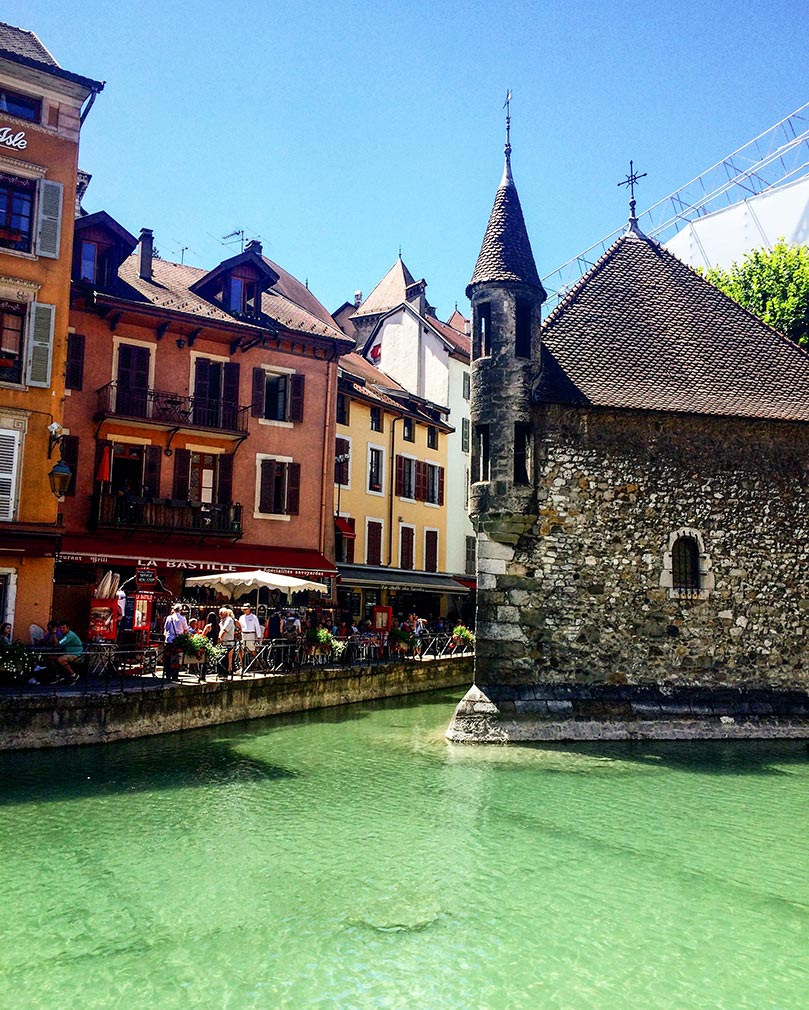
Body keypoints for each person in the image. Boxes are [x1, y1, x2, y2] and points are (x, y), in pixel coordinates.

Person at [163, 603, 189, 681]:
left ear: (174, 610)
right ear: (180, 610)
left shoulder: (169, 618)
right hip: (178, 640)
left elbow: (166, 628)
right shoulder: (182, 618)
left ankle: (167, 674)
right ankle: (175, 676)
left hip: (169, 640)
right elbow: (185, 629)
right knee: (176, 658)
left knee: (168, 657)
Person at [238, 603, 261, 671]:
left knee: (252, 650)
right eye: (243, 609)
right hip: (243, 634)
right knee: (241, 650)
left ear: (249, 609)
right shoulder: (241, 617)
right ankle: (242, 666)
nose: (244, 611)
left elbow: (257, 626)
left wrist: (258, 636)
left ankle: (256, 664)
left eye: (245, 609)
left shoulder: (254, 617)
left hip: (251, 634)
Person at [218, 606, 236, 678]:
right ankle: (221, 673)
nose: (219, 615)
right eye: (219, 614)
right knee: (222, 658)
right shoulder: (222, 620)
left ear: (225, 613)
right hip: (223, 643)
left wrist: (219, 638)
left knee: (226, 659)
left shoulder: (229, 620)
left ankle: (226, 673)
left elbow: (224, 630)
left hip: (228, 642)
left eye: (221, 614)